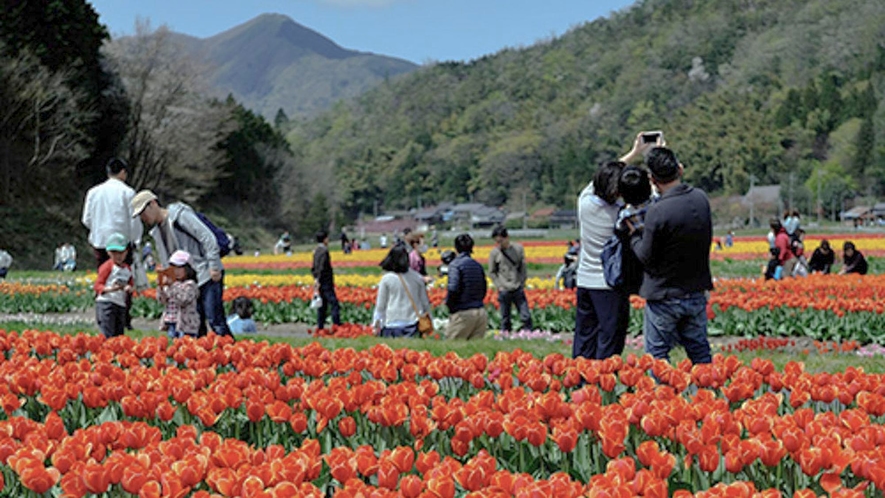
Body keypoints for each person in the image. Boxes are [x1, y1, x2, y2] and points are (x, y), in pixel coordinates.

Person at [627, 146, 713, 364]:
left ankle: (663, 397)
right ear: (680, 169)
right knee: (700, 352)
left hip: (664, 295)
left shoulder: (658, 211)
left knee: (658, 356)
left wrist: (634, 236)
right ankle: (708, 397)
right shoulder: (701, 199)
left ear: (652, 179)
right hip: (695, 289)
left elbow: (645, 256)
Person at [131, 189, 231, 337]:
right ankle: (203, 358)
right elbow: (167, 261)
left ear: (152, 204)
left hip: (206, 273)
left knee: (215, 319)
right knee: (195, 324)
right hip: (188, 282)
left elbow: (207, 237)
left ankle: (232, 353)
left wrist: (214, 266)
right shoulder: (157, 232)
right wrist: (167, 285)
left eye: (142, 212)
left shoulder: (179, 216)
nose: (142, 218)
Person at [575, 160, 630, 360]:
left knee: (585, 335)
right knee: (610, 338)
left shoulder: (585, 203)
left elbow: (599, 179)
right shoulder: (620, 214)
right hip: (609, 285)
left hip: (584, 280)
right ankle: (601, 380)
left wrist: (633, 153)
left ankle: (581, 381)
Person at [82, 158, 142, 269]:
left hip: (100, 240)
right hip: (122, 242)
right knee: (123, 276)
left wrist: (96, 229)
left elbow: (86, 219)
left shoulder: (93, 192)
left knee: (103, 275)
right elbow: (134, 220)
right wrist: (135, 240)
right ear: (123, 172)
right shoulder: (128, 192)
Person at [372, 245, 432, 338]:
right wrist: (430, 320)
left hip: (392, 322)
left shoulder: (387, 279)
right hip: (413, 323)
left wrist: (376, 324)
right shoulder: (417, 277)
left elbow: (381, 305)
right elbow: (425, 302)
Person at [488, 226, 533, 332]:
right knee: (505, 316)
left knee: (525, 314)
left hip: (517, 286)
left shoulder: (518, 249)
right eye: (496, 241)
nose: (498, 244)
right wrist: (499, 286)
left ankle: (529, 334)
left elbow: (523, 267)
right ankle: (505, 335)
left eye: (500, 241)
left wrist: (522, 282)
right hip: (504, 288)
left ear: (507, 237)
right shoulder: (494, 253)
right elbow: (492, 272)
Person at [445, 234, 488, 340]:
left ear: (456, 248)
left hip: (463, 313)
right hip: (480, 312)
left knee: (452, 349)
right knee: (474, 352)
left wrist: (450, 305)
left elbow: (453, 288)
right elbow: (484, 287)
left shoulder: (455, 265)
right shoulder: (477, 265)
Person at [93, 233, 133, 338]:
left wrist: (128, 288)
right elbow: (97, 285)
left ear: (126, 252)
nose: (118, 256)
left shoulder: (127, 269)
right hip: (106, 303)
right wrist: (110, 289)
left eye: (121, 252)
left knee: (119, 333)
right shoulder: (107, 267)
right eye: (114, 253)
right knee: (107, 332)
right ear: (108, 252)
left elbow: (130, 283)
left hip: (120, 304)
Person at [157, 250, 200, 339]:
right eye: (173, 268)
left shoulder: (190, 284)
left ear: (188, 268)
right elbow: (162, 300)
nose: (176, 271)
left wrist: (172, 285)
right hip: (171, 321)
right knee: (173, 347)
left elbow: (183, 300)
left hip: (186, 325)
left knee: (184, 347)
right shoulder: (171, 284)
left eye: (179, 268)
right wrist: (160, 287)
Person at [312, 230, 341, 330]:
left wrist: (315, 279)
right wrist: (319, 279)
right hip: (326, 282)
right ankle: (337, 325)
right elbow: (322, 267)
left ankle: (320, 327)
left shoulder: (316, 251)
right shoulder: (324, 251)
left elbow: (314, 267)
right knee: (334, 304)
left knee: (322, 305)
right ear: (325, 239)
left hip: (320, 281)